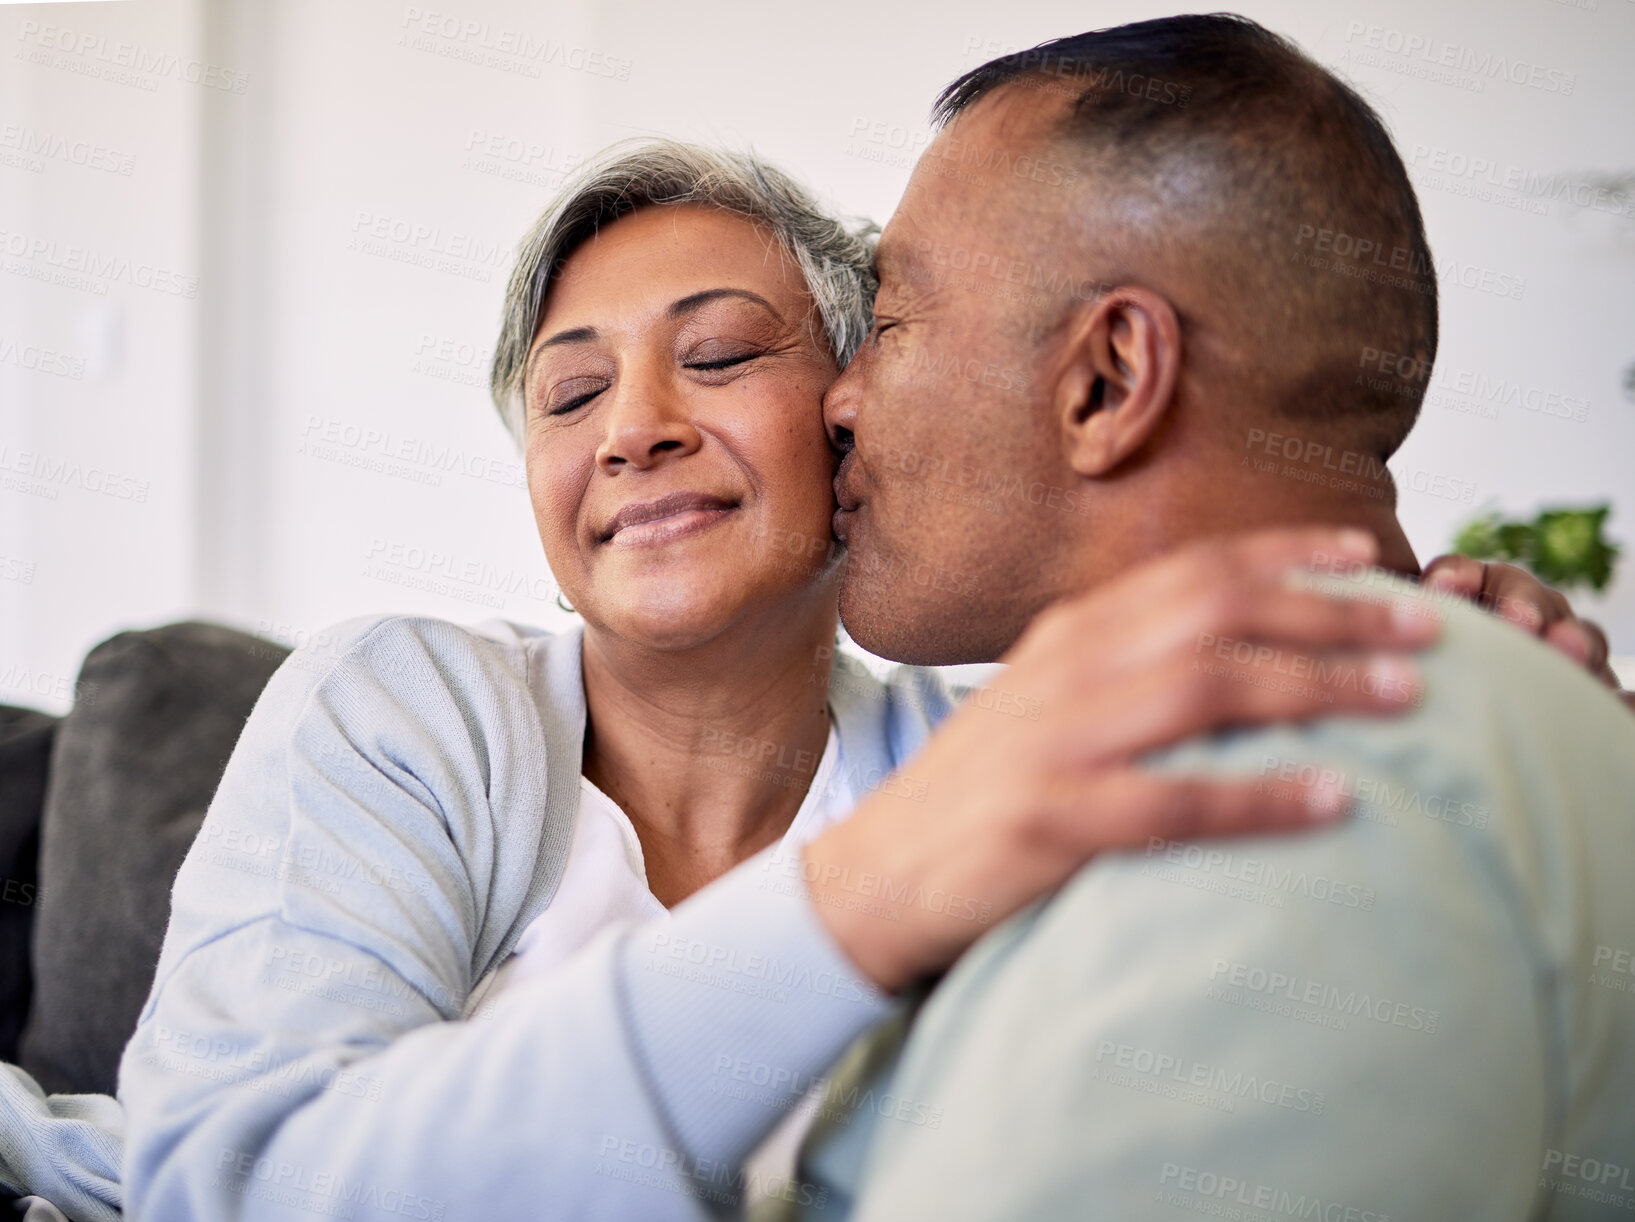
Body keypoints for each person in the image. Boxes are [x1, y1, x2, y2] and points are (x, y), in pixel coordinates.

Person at [0, 129, 1613, 1222]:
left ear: (854, 415)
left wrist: (1450, 677)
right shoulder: (408, 705)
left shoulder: (1001, 760)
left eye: (718, 356)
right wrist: (866, 897)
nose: (633, 425)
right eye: (569, 395)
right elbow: (233, 1189)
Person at [774, 16, 1635, 1221]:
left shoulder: (1289, 791)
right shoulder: (1381, 728)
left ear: (1110, 379)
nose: (840, 400)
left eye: (895, 320)